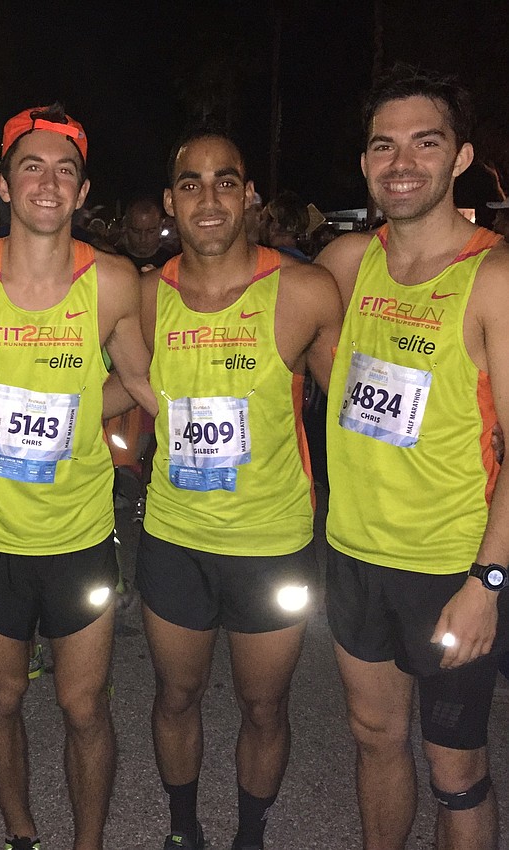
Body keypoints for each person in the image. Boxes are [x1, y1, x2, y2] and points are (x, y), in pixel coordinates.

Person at [0, 103, 157, 850]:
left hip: (81, 533)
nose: (49, 181)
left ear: (83, 190)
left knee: (84, 705)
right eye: (32, 165)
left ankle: (88, 842)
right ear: (3, 183)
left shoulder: (116, 282)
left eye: (66, 169)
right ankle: (21, 833)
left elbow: (138, 382)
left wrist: (77, 409)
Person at [317, 65, 509, 850]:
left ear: (460, 156)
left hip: (449, 564)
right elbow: (313, 358)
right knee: (373, 736)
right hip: (353, 552)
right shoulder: (345, 262)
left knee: (455, 771)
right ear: (364, 163)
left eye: (424, 143)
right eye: (383, 146)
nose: (401, 163)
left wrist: (486, 584)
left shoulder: (493, 277)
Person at [134, 122, 341, 850]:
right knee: (176, 696)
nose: (209, 197)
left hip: (272, 543)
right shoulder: (142, 297)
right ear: (170, 201)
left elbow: (355, 416)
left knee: (263, 707)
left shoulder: (305, 291)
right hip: (174, 541)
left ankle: (250, 835)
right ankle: (183, 828)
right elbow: (113, 393)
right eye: (191, 183)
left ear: (249, 194)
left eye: (227, 180)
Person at [117, 197, 175, 272]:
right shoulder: (115, 260)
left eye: (150, 231)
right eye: (136, 231)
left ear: (160, 226)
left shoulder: (171, 263)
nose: (143, 239)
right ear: (125, 226)